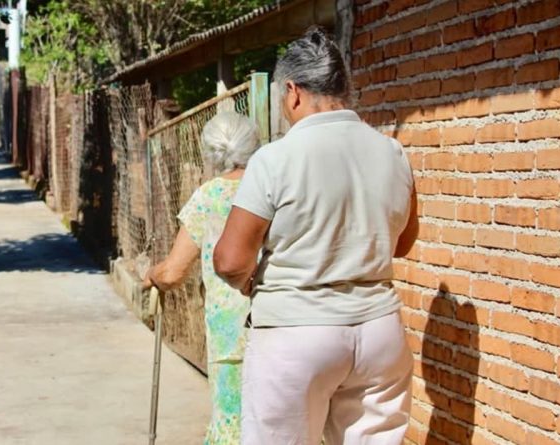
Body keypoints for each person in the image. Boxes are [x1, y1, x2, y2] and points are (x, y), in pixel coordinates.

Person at [213, 27, 419, 445]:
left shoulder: (275, 159)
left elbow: (231, 259)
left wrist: (249, 280)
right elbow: (403, 240)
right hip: (379, 333)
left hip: (296, 332)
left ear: (292, 92)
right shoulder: (392, 152)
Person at [143, 111, 260, 445]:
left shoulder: (208, 197)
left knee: (230, 424)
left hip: (230, 332)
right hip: (278, 321)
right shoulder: (274, 191)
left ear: (211, 151)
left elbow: (174, 271)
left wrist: (153, 275)